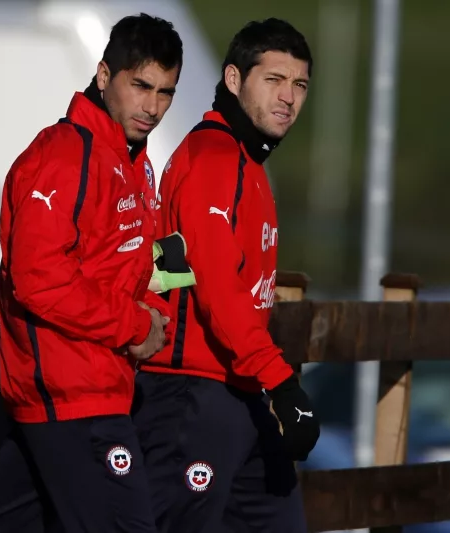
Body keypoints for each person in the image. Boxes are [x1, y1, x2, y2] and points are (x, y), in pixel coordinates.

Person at [0, 13, 184, 533]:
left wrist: (157, 314)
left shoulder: (136, 161)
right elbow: (38, 277)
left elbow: (150, 259)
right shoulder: (65, 154)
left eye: (166, 93)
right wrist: (133, 327)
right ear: (105, 76)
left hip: (95, 389)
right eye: (141, 87)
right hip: (73, 397)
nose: (153, 107)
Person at [132, 18, 320, 533]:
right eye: (273, 79)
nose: (288, 97)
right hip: (189, 395)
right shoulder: (213, 160)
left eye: (299, 84)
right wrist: (283, 383)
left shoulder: (248, 166)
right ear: (234, 80)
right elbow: (218, 288)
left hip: (237, 390)